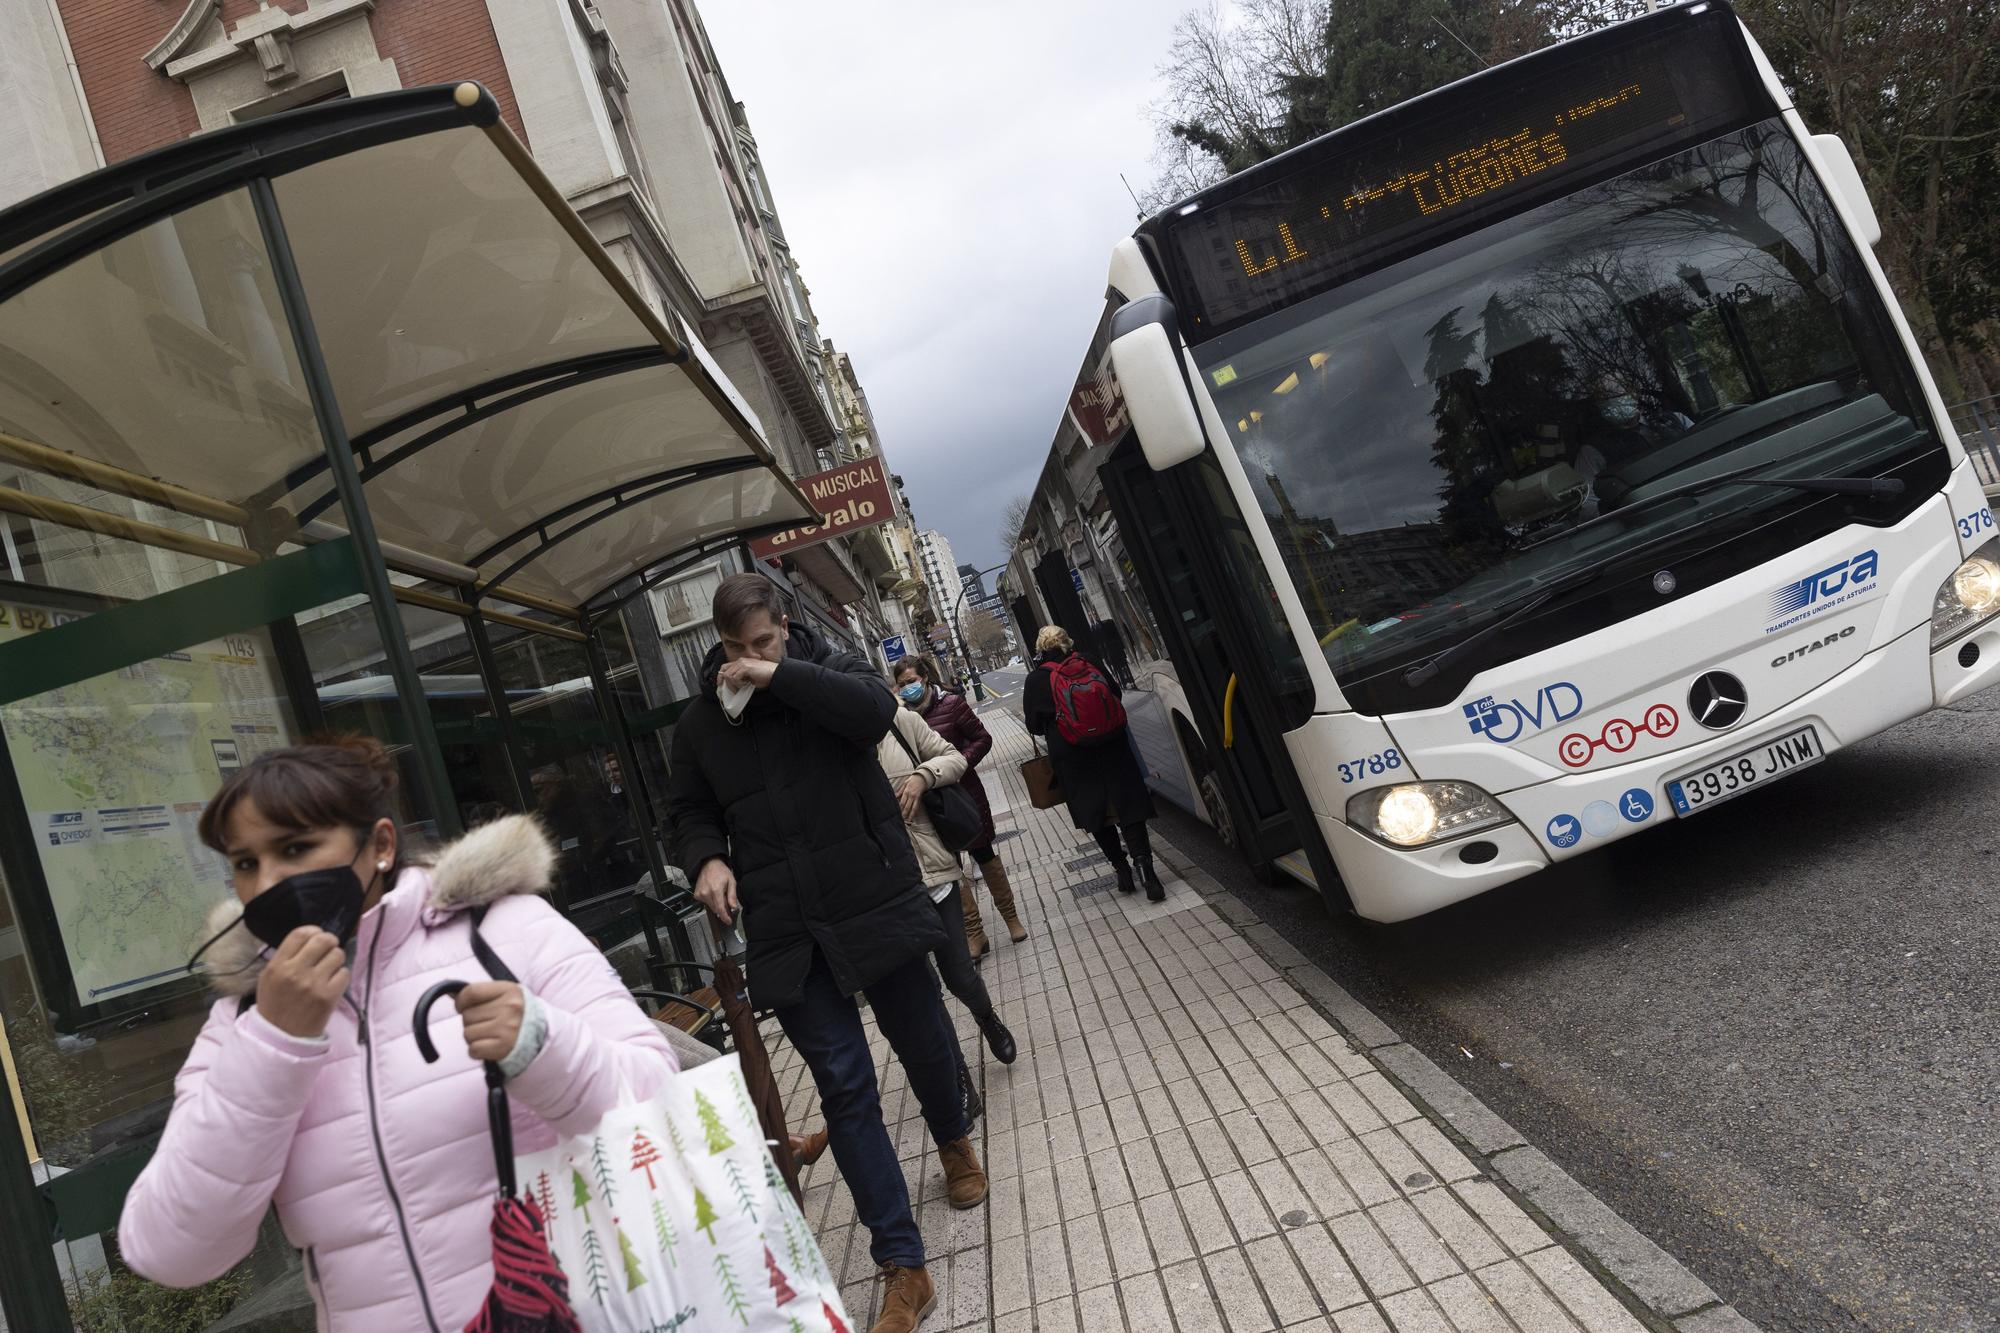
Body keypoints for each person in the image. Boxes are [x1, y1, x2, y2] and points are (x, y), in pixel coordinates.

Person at [119, 736, 677, 1329]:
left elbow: (662, 1109)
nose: (267, 883)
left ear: (381, 845)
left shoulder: (509, 934)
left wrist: (542, 1045)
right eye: (245, 863)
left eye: (297, 847)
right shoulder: (244, 1018)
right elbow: (170, 1250)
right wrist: (274, 1043)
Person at [666, 573, 983, 1333]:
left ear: (784, 626)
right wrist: (706, 857)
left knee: (925, 1042)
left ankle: (953, 1139)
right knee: (844, 1088)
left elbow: (875, 713)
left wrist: (781, 677)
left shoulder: (832, 671)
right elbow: (687, 809)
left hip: (872, 891)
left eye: (763, 644)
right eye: (735, 650)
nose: (746, 661)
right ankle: (903, 1265)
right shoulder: (703, 721)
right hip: (788, 925)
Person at [892, 656, 1027, 955]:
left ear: (925, 677)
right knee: (953, 867)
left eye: (912, 681)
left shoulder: (952, 705)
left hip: (963, 795)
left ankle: (1011, 918)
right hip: (931, 805)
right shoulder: (899, 720)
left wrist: (960, 764)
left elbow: (982, 738)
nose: (908, 688)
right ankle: (975, 933)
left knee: (984, 854)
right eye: (902, 685)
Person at [1022, 624, 1167, 901]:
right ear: (1067, 642)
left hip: (1072, 755)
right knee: (1129, 807)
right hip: (1111, 744)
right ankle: (1147, 870)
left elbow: (1034, 726)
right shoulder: (1089, 661)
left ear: (1040, 649)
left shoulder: (1036, 680)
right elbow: (1115, 693)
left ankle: (1122, 870)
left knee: (1096, 813)